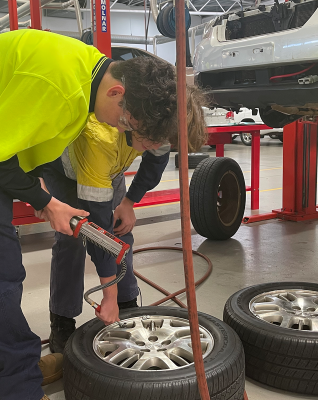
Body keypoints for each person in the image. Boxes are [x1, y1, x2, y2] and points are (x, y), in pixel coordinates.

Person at [0, 29, 181, 400]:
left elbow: (18, 138)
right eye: (126, 126)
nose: (119, 131)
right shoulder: (63, 88)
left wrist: (38, 195)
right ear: (117, 94)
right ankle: (18, 389)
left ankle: (7, 375)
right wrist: (48, 203)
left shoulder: (87, 79)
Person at [43, 86, 207, 353]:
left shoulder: (160, 127)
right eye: (156, 142)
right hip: (66, 170)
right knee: (73, 238)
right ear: (139, 125)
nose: (158, 148)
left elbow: (154, 163)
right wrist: (108, 294)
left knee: (121, 230)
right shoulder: (101, 137)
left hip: (109, 169)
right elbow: (98, 229)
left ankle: (128, 302)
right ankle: (62, 320)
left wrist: (129, 202)